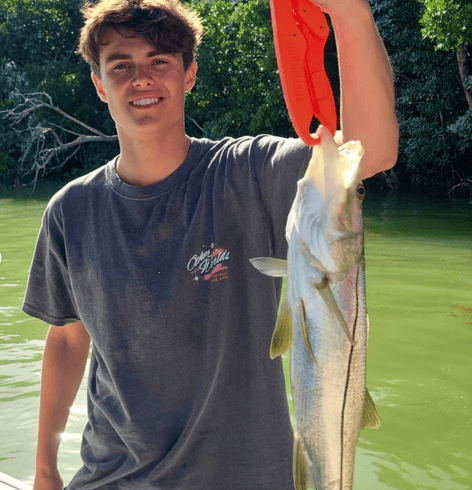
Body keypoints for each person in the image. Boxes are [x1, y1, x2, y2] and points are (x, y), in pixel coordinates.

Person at [22, 0, 398, 489]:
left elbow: (371, 149)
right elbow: (68, 339)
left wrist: (350, 16)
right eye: (121, 65)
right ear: (98, 83)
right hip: (112, 478)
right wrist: (46, 471)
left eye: (160, 61)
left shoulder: (249, 172)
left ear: (190, 74)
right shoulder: (69, 210)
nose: (142, 78)